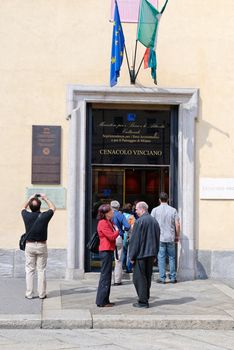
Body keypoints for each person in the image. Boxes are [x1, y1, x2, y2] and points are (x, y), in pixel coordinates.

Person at [21, 193, 56, 299]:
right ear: (40, 206)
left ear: (30, 207)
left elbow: (22, 208)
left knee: (30, 270)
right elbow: (53, 208)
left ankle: (29, 294)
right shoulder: (44, 216)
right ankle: (42, 294)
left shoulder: (26, 215)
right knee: (41, 270)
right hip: (41, 245)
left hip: (29, 245)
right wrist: (45, 198)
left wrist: (30, 198)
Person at [129, 201, 160, 308]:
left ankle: (143, 301)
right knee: (147, 277)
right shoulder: (154, 221)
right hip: (151, 254)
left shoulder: (139, 222)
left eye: (136, 209)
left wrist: (132, 256)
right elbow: (157, 238)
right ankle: (145, 298)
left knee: (139, 278)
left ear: (142, 209)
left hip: (141, 255)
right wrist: (155, 254)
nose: (135, 211)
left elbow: (135, 240)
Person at [151, 192, 180, 284]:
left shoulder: (155, 210)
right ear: (167, 200)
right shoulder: (173, 210)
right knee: (172, 257)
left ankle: (162, 278)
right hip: (170, 237)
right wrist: (177, 235)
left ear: (159, 200)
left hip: (160, 237)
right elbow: (177, 224)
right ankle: (172, 278)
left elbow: (152, 224)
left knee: (161, 257)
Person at [96, 204, 119, 307]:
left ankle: (106, 300)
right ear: (106, 213)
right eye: (111, 211)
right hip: (105, 251)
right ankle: (101, 301)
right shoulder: (102, 223)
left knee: (108, 276)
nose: (113, 212)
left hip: (109, 250)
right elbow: (111, 236)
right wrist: (118, 231)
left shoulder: (109, 222)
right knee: (105, 276)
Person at [110, 200, 130, 286]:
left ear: (110, 207)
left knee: (108, 259)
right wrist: (123, 230)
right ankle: (117, 280)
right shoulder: (120, 215)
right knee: (118, 260)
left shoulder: (107, 215)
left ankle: (108, 279)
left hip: (108, 238)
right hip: (118, 238)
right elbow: (127, 226)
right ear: (118, 207)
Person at [122, 203, 135, 273]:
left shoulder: (121, 215)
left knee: (123, 252)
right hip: (128, 236)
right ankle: (128, 268)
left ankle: (122, 266)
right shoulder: (131, 217)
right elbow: (133, 228)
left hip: (121, 236)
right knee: (129, 252)